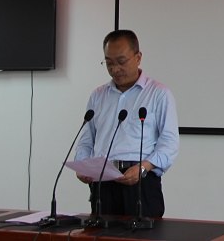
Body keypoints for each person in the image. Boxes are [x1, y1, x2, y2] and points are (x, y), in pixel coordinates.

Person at [74, 29, 179, 218]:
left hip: (140, 181)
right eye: (109, 63)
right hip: (102, 181)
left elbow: (169, 144)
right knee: (100, 233)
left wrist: (143, 167)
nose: (115, 69)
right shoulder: (98, 96)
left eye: (121, 62)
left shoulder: (158, 94)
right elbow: (87, 139)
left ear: (138, 57)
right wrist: (82, 165)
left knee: (144, 233)